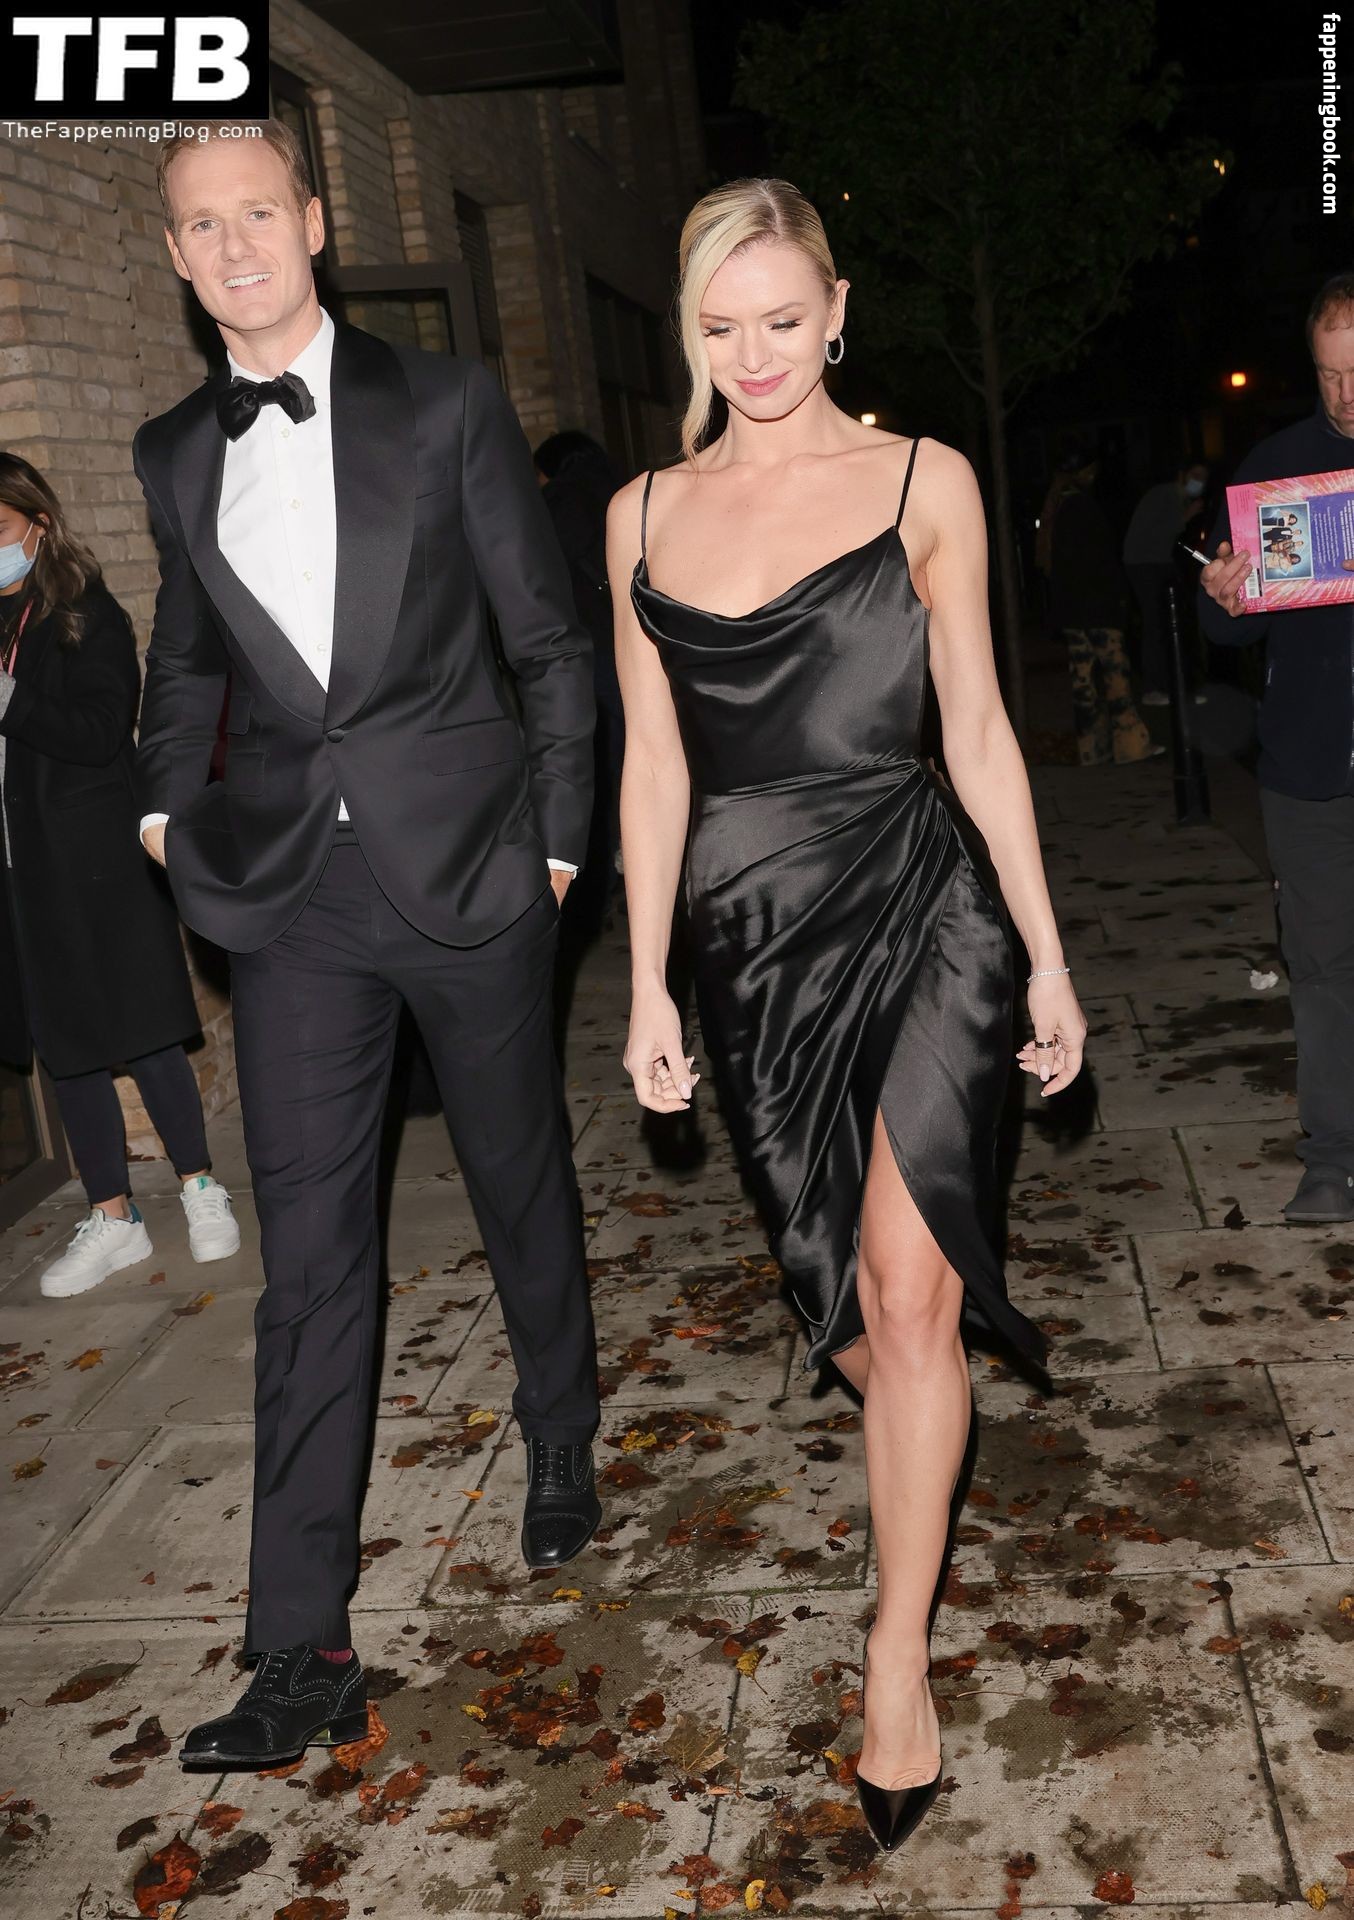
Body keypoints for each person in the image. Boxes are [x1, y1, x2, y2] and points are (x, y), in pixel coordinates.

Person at [610, 178, 1085, 1853]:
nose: (752, 354)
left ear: (833, 313)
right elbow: (651, 763)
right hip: (750, 940)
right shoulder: (640, 514)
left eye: (780, 319)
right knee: (853, 1307)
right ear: (693, 334)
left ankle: (895, 1661)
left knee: (906, 1288)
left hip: (921, 903)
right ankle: (914, 1471)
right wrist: (646, 975)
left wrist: (1042, 951)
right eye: (718, 327)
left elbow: (976, 729)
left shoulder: (918, 480)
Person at [131, 120, 600, 1771]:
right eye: (203, 224)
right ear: (177, 256)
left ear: (314, 223)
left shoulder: (448, 403)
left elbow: (547, 641)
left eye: (258, 210)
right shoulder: (174, 451)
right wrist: (160, 813)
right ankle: (300, 1643)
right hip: (292, 901)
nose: (235, 243)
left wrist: (556, 844)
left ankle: (559, 1423)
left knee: (515, 1169)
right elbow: (188, 657)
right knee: (311, 1261)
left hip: (470, 867)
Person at [0, 456, 239, 1296]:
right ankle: (113, 1217)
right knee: (66, 1048)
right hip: (20, 867)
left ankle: (199, 1186)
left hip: (94, 858)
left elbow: (101, 730)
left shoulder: (83, 611)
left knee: (142, 1030)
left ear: (38, 523)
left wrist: (8, 699)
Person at [1199, 269, 1354, 1224]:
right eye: (1331, 373)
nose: (1346, 393)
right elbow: (1232, 630)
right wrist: (1224, 598)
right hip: (1307, 769)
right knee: (1324, 972)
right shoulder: (1276, 469)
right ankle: (1332, 1161)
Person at [533, 430, 624, 940]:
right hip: (632, 645)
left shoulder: (562, 501)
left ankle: (601, 885)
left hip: (591, 654)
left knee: (597, 770)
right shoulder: (619, 486)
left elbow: (541, 578)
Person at [1040, 450, 1159, 766]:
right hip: (1097, 609)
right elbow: (1098, 564)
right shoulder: (1082, 507)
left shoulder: (1060, 506)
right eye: (1091, 471)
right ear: (1083, 473)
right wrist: (1118, 601)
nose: (1094, 476)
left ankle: (1092, 750)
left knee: (1084, 684)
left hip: (1074, 612)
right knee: (1116, 675)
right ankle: (1130, 745)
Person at [1122, 460, 1208, 703]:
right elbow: (1161, 530)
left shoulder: (1177, 498)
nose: (1199, 482)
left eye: (1203, 478)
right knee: (1156, 624)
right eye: (1195, 475)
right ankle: (1154, 688)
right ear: (1182, 475)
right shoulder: (1165, 494)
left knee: (1172, 624)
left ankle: (1177, 687)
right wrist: (1187, 516)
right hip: (1144, 564)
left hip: (1158, 562)